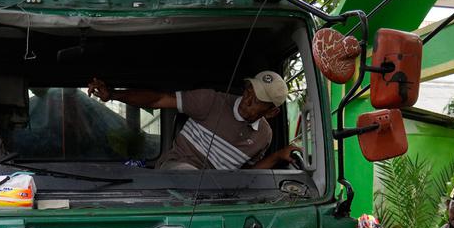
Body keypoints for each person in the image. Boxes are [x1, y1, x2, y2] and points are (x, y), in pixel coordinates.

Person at [86, 71, 299, 170]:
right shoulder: (210, 101)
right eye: (248, 91)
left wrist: (278, 156)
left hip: (216, 194)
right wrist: (112, 95)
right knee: (191, 176)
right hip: (178, 170)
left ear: (271, 112)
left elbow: (250, 174)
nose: (247, 100)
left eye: (258, 100)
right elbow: (160, 99)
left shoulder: (264, 136)